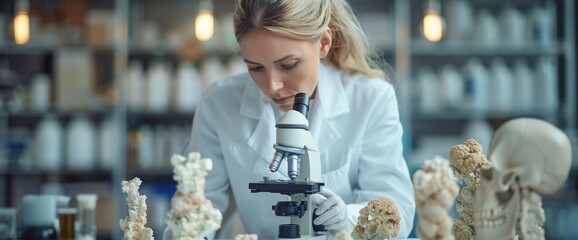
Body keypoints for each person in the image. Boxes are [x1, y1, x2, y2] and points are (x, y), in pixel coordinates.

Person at [189, 0, 415, 238]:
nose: (272, 86)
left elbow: (396, 213)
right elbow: (196, 208)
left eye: (288, 65)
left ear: (324, 43)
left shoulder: (371, 98)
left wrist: (346, 218)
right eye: (256, 68)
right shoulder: (218, 103)